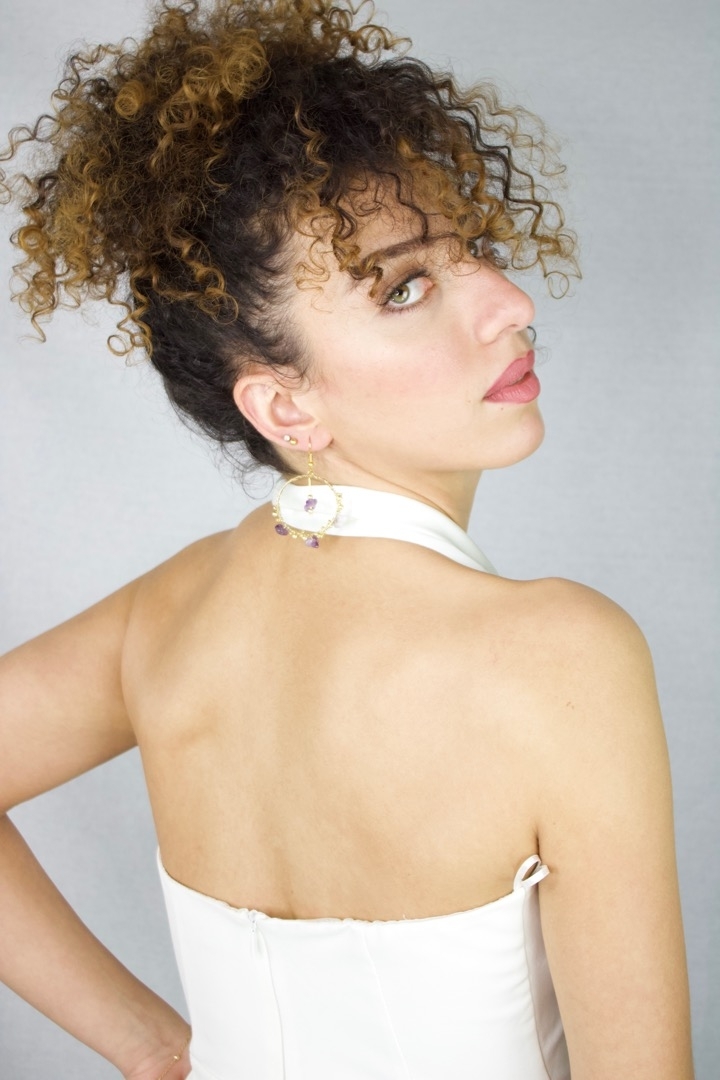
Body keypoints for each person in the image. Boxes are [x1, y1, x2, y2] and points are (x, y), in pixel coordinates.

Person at [0, 0, 694, 1077]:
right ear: (285, 407)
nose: (511, 303)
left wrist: (154, 1050)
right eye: (406, 288)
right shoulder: (564, 654)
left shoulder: (170, 610)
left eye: (478, 251)